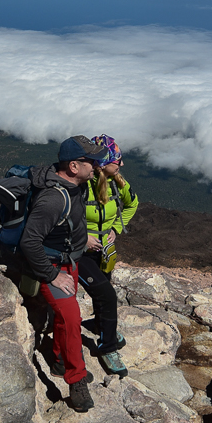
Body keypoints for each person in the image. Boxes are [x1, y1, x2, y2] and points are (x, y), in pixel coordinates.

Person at [18, 135, 106, 412]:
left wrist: (84, 240)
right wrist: (52, 276)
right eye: (90, 161)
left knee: (64, 316)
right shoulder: (53, 199)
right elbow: (29, 242)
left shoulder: (75, 187)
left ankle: (57, 359)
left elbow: (69, 223)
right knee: (70, 317)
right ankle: (76, 380)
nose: (96, 166)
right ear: (73, 166)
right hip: (52, 266)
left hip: (69, 260)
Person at [79, 135, 138, 377]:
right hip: (79, 251)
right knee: (107, 294)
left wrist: (115, 228)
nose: (122, 165)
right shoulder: (81, 185)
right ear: (104, 163)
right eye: (118, 160)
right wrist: (82, 237)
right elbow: (61, 215)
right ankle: (107, 347)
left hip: (104, 249)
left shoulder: (117, 183)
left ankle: (102, 326)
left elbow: (132, 204)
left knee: (104, 291)